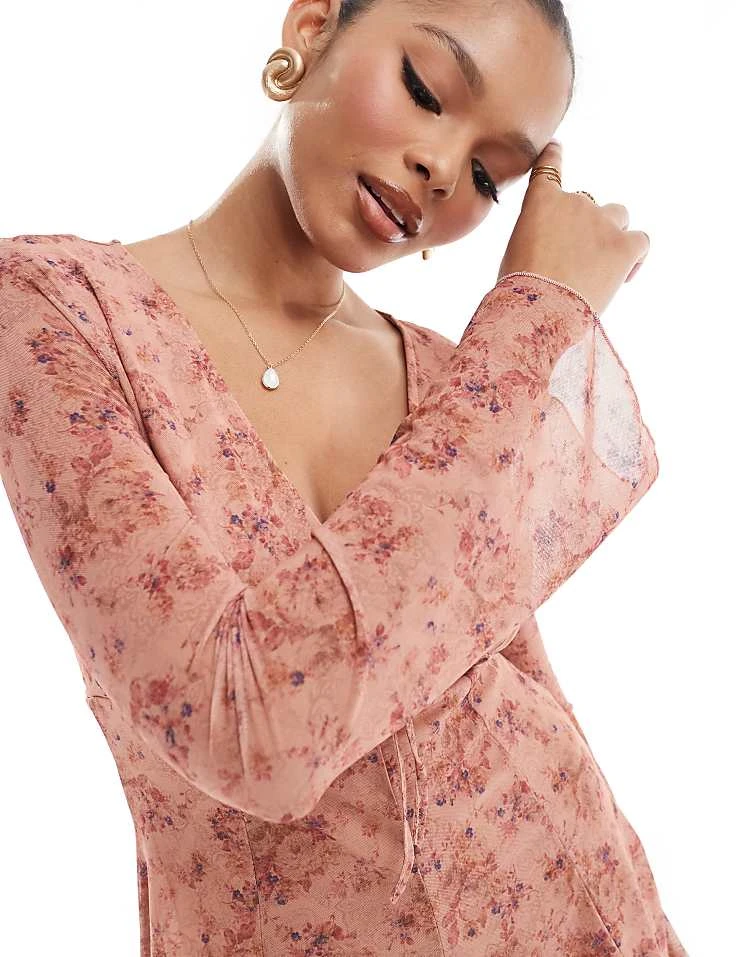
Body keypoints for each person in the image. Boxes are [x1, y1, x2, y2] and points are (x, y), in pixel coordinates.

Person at [0, 0, 687, 954]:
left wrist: (521, 339)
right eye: (426, 89)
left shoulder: (456, 380)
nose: (442, 170)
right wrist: (538, 316)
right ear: (313, 26)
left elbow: (521, 695)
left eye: (487, 177)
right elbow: (246, 729)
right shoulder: (60, 312)